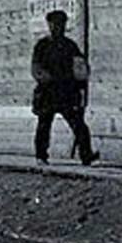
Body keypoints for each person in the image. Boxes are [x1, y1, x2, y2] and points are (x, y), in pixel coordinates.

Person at [32, 9, 99, 166]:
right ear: (49, 25)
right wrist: (46, 79)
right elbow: (36, 68)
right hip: (48, 92)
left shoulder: (70, 46)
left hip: (66, 91)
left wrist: (80, 86)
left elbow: (80, 68)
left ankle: (86, 155)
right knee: (44, 125)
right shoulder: (42, 46)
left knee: (79, 125)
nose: (57, 28)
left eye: (60, 24)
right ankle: (41, 156)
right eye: (53, 24)